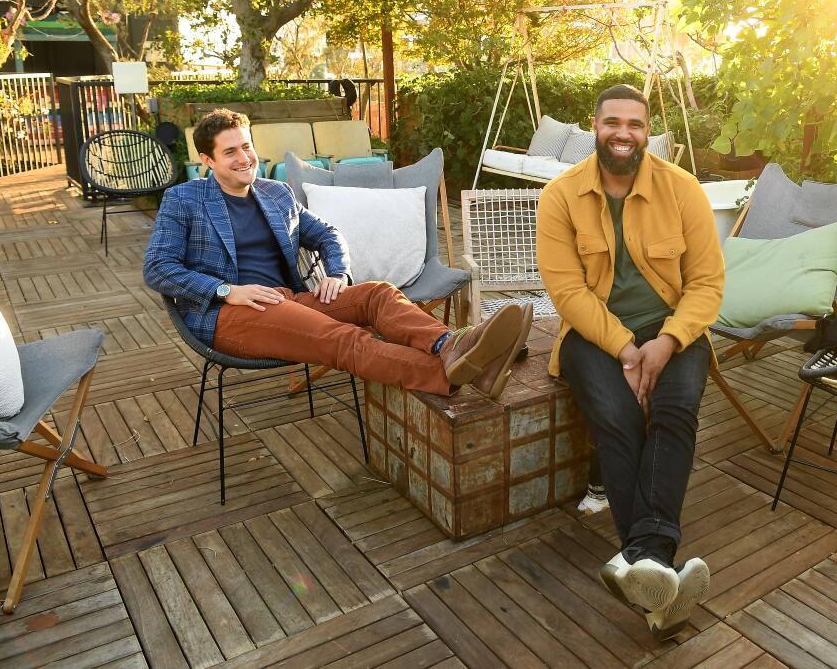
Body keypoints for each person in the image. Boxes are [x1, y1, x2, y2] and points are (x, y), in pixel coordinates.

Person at [144, 108, 531, 400]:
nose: (244, 157)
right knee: (344, 339)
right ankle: (458, 374)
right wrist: (228, 290)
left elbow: (327, 233)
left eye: (247, 146)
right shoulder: (184, 199)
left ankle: (452, 347)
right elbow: (158, 268)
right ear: (208, 161)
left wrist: (338, 274)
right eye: (230, 152)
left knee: (376, 293)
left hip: (291, 300)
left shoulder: (275, 194)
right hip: (231, 314)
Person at [536, 85, 724, 639]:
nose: (623, 133)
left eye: (635, 124)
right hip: (594, 333)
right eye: (612, 122)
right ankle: (658, 565)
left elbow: (708, 285)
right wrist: (624, 347)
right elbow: (567, 291)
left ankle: (643, 559)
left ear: (649, 133)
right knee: (616, 418)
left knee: (675, 410)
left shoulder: (681, 190)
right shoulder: (562, 195)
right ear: (594, 127)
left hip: (674, 330)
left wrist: (665, 342)